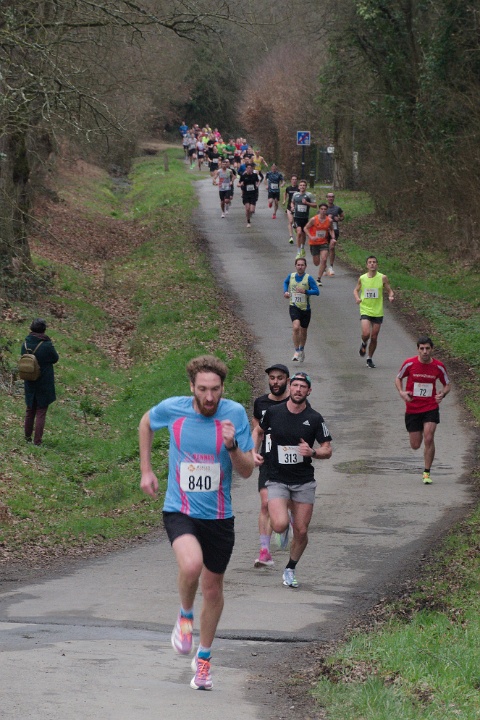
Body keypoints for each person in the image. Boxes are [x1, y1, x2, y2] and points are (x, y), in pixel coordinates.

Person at [139, 355, 254, 691]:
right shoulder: (173, 409)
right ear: (192, 387)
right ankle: (185, 615)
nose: (209, 396)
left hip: (219, 517)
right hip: (181, 510)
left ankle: (203, 660)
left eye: (215, 389)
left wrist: (232, 446)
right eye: (202, 389)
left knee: (213, 588)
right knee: (191, 565)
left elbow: (247, 470)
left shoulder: (234, 414)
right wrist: (146, 470)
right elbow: (145, 423)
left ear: (223, 388)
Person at [253, 371, 332, 588]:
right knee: (279, 525)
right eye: (295, 386)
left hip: (303, 481)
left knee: (302, 531)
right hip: (277, 478)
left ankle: (290, 568)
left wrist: (313, 452)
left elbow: (327, 449)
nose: (298, 390)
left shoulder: (314, 418)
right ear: (290, 387)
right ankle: (284, 520)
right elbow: (258, 431)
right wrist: (253, 452)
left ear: (309, 391)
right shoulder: (274, 412)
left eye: (302, 387)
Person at [394, 337, 450, 485]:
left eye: (427, 348)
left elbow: (447, 384)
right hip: (413, 408)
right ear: (418, 349)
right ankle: (425, 466)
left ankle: (427, 472)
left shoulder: (438, 366)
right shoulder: (410, 363)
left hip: (430, 407)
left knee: (429, 437)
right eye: (422, 348)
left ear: (432, 349)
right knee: (415, 445)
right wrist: (401, 392)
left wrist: (442, 394)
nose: (425, 351)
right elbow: (398, 378)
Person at [252, 364, 290, 568]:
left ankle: (284, 521)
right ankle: (264, 552)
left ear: (287, 380)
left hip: (290, 462)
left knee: (284, 504)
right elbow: (257, 430)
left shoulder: (295, 401)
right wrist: (253, 452)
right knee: (265, 503)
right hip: (268, 460)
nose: (275, 382)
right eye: (272, 378)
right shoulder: (261, 403)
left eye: (280, 378)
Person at [21, 318, 59, 446]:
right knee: (41, 411)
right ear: (44, 330)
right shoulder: (46, 345)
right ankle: (37, 441)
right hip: (44, 381)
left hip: (29, 380)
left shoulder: (25, 343)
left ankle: (27, 438)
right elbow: (55, 358)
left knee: (30, 410)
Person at [353, 255, 395, 368]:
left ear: (377, 265)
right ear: (367, 265)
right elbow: (356, 290)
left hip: (377, 311)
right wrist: (357, 298)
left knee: (374, 337)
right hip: (365, 309)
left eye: (374, 262)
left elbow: (390, 290)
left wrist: (391, 296)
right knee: (366, 333)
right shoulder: (362, 278)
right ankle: (364, 343)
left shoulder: (382, 278)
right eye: (370, 262)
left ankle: (369, 358)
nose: (372, 264)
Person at [284, 257, 319, 362]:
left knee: (303, 330)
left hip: (305, 309)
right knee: (296, 327)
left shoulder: (309, 278)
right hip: (294, 306)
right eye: (298, 265)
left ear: (305, 266)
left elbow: (317, 291)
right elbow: (285, 282)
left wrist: (306, 291)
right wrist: (285, 292)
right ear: (295, 266)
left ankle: (302, 349)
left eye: (302, 265)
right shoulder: (291, 276)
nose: (300, 267)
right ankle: (296, 351)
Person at [304, 203, 335, 286]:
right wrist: (311, 236)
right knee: (316, 263)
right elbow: (305, 228)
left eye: (325, 209)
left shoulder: (329, 220)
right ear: (319, 209)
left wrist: (333, 238)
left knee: (324, 259)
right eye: (322, 209)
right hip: (314, 243)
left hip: (324, 242)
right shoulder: (314, 219)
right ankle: (324, 267)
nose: (323, 211)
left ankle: (318, 279)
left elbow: (331, 229)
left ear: (327, 210)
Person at [291, 180, 316, 258]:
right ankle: (298, 252)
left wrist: (307, 203)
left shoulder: (309, 195)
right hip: (297, 217)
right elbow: (292, 202)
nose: (302, 187)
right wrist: (292, 207)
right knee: (299, 232)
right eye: (301, 185)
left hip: (305, 218)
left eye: (304, 185)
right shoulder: (295, 194)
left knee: (303, 234)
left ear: (306, 187)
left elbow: (315, 205)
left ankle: (302, 247)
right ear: (298, 187)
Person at [325, 192, 344, 276]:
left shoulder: (337, 208)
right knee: (325, 249)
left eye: (332, 197)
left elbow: (342, 217)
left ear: (334, 198)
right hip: (325, 231)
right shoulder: (323, 208)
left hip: (335, 230)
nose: (331, 198)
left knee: (332, 247)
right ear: (327, 198)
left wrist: (339, 219)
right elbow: (318, 218)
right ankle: (324, 266)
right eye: (329, 197)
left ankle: (331, 267)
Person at [239, 163, 260, 227]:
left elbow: (258, 181)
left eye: (250, 168)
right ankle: (248, 221)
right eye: (248, 168)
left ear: (252, 169)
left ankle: (249, 215)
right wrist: (240, 184)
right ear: (246, 169)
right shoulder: (243, 176)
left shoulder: (254, 175)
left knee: (252, 210)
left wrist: (257, 185)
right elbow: (240, 183)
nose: (249, 169)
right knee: (247, 208)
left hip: (253, 194)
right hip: (246, 194)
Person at [283, 175, 299, 244]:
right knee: (290, 221)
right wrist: (284, 200)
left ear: (297, 181)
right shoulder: (288, 188)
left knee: (296, 222)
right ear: (291, 180)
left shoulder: (299, 188)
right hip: (289, 207)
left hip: (297, 207)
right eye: (293, 179)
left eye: (295, 179)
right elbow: (285, 193)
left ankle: (295, 229)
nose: (294, 181)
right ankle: (291, 237)